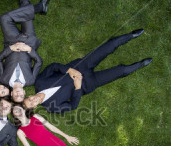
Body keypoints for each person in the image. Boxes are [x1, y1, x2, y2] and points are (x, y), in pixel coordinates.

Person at [23, 29, 153, 113]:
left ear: (29, 96)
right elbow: (73, 105)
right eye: (32, 104)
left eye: (30, 100)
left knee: (108, 46)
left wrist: (69, 70)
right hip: (88, 84)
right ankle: (140, 64)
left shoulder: (39, 82)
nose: (33, 101)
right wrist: (78, 88)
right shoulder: (52, 108)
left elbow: (53, 67)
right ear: (34, 107)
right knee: (121, 71)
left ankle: (131, 35)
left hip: (80, 66)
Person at [0, 0, 51, 103]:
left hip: (11, 40)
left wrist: (11, 48)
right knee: (25, 7)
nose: (18, 94)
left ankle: (37, 6)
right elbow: (38, 62)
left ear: (11, 93)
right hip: (28, 41)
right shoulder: (31, 80)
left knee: (4, 18)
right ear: (24, 93)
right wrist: (28, 50)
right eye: (21, 96)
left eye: (16, 96)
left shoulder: (3, 80)